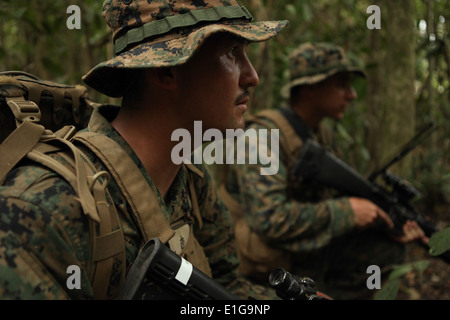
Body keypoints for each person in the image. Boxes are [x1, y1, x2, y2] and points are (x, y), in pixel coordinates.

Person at [0, 0, 288, 299]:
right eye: (231, 52)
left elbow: (227, 287)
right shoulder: (40, 212)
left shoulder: (189, 177)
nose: (252, 76)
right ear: (165, 70)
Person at [221, 42, 428, 299]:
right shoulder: (263, 138)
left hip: (298, 251)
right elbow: (270, 219)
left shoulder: (318, 135)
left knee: (383, 247)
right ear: (310, 88)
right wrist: (349, 211)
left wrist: (386, 220)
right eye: (342, 84)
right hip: (260, 267)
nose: (352, 95)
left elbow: (325, 200)